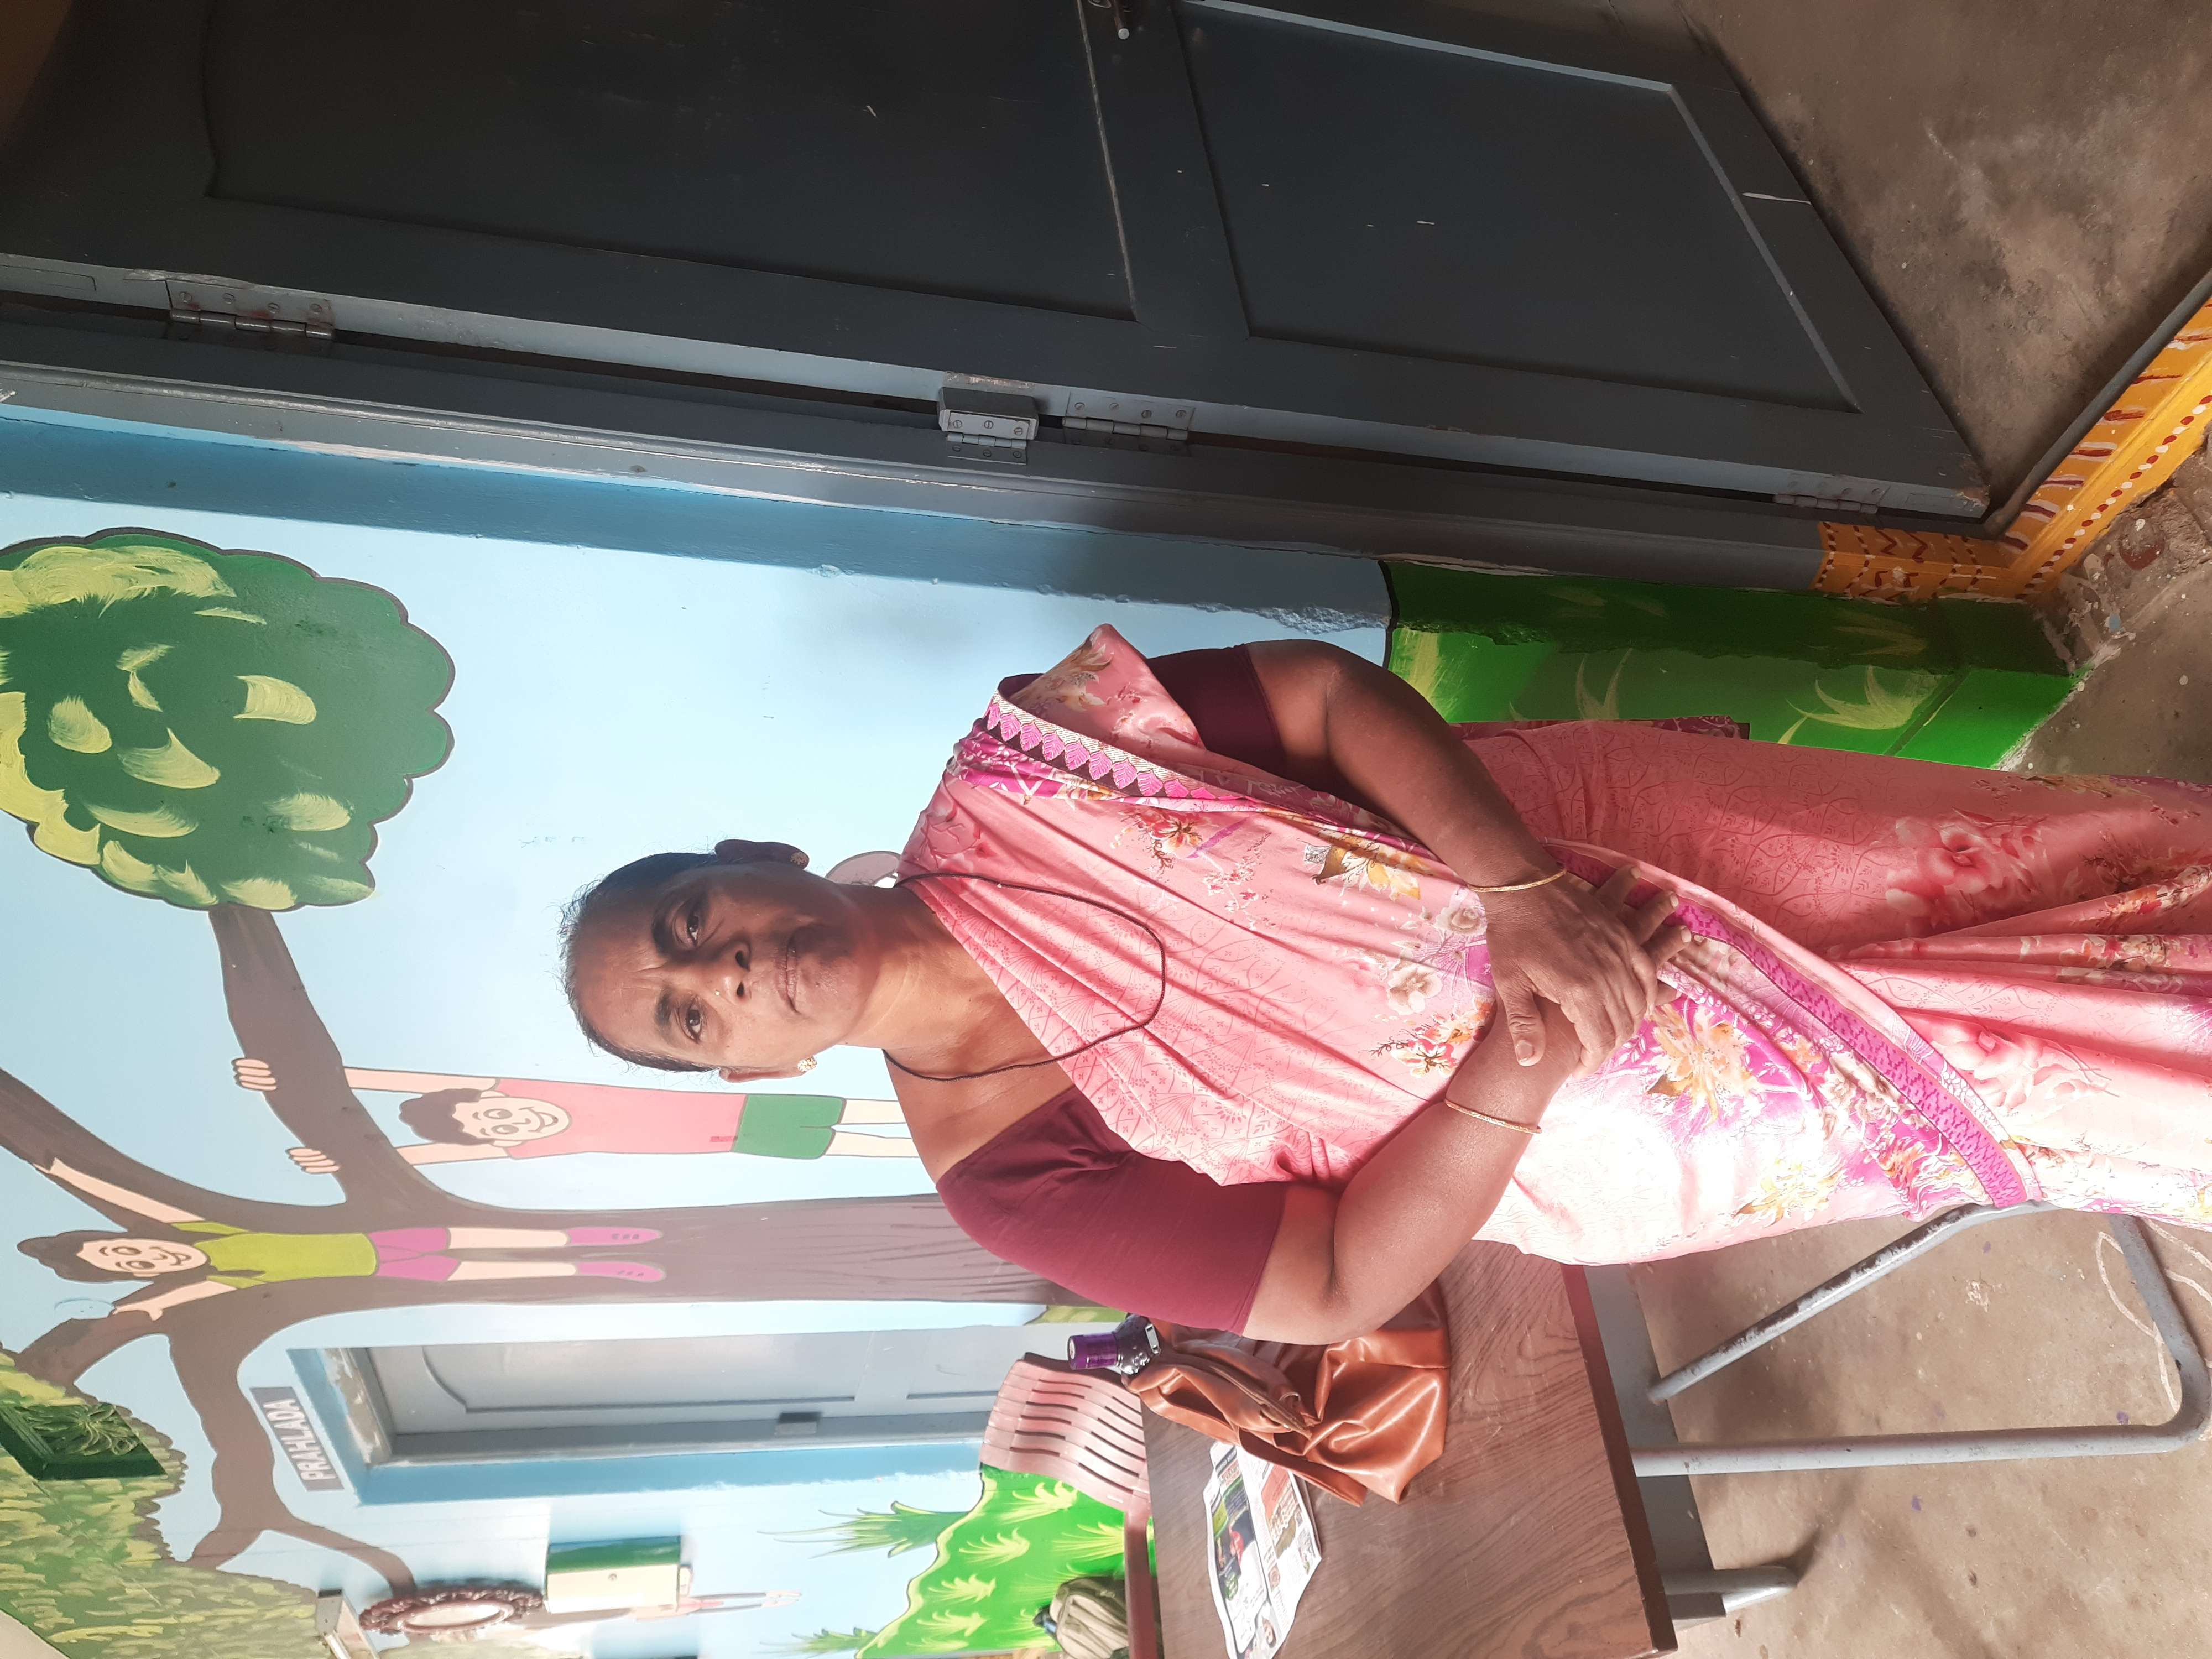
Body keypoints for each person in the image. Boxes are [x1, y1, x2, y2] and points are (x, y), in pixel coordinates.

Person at [557, 625, 2212, 1343]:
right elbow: (1332, 1276)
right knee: (2068, 1091)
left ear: (753, 853)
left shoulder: (1030, 764)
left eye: (694, 919)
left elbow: (1320, 695)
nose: (733, 969)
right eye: (691, 1012)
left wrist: (1520, 893)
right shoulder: (1005, 1175)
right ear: (747, 1076)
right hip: (1635, 1096)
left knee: (2045, 858)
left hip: (1612, 841)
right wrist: (1520, 1056)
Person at [19, 1159, 665, 1316]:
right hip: (385, 1270)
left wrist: (65, 1173)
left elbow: (133, 1202)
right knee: (506, 1271)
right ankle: (600, 1270)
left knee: (511, 1237)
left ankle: (604, 1238)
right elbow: (167, 1301)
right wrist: (134, 1307)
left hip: (390, 1236)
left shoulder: (198, 1231)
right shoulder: (216, 1275)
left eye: (123, 1245)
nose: (142, 1254)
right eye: (129, 1264)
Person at [226, 1058, 914, 1171]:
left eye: (497, 1114)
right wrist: (349, 1156)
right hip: (737, 1140)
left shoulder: (532, 1089)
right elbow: (433, 1154)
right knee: (867, 1147)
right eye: (495, 1134)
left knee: (879, 1112)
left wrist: (304, 1076)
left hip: (744, 1104)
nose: (512, 1124)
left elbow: (410, 1081)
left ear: (496, 1096)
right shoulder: (533, 1149)